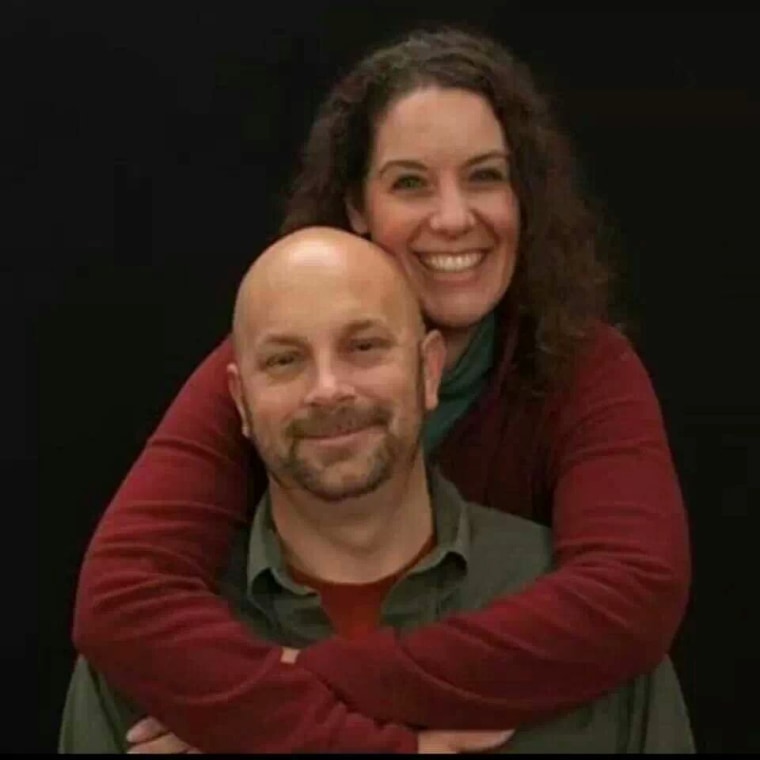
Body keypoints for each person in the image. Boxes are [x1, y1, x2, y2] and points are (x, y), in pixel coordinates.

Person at [70, 26, 691, 754]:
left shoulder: (581, 365)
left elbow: (629, 599)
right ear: (356, 209)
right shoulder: (269, 365)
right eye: (410, 182)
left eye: (486, 176)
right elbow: (122, 601)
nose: (454, 216)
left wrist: (299, 682)